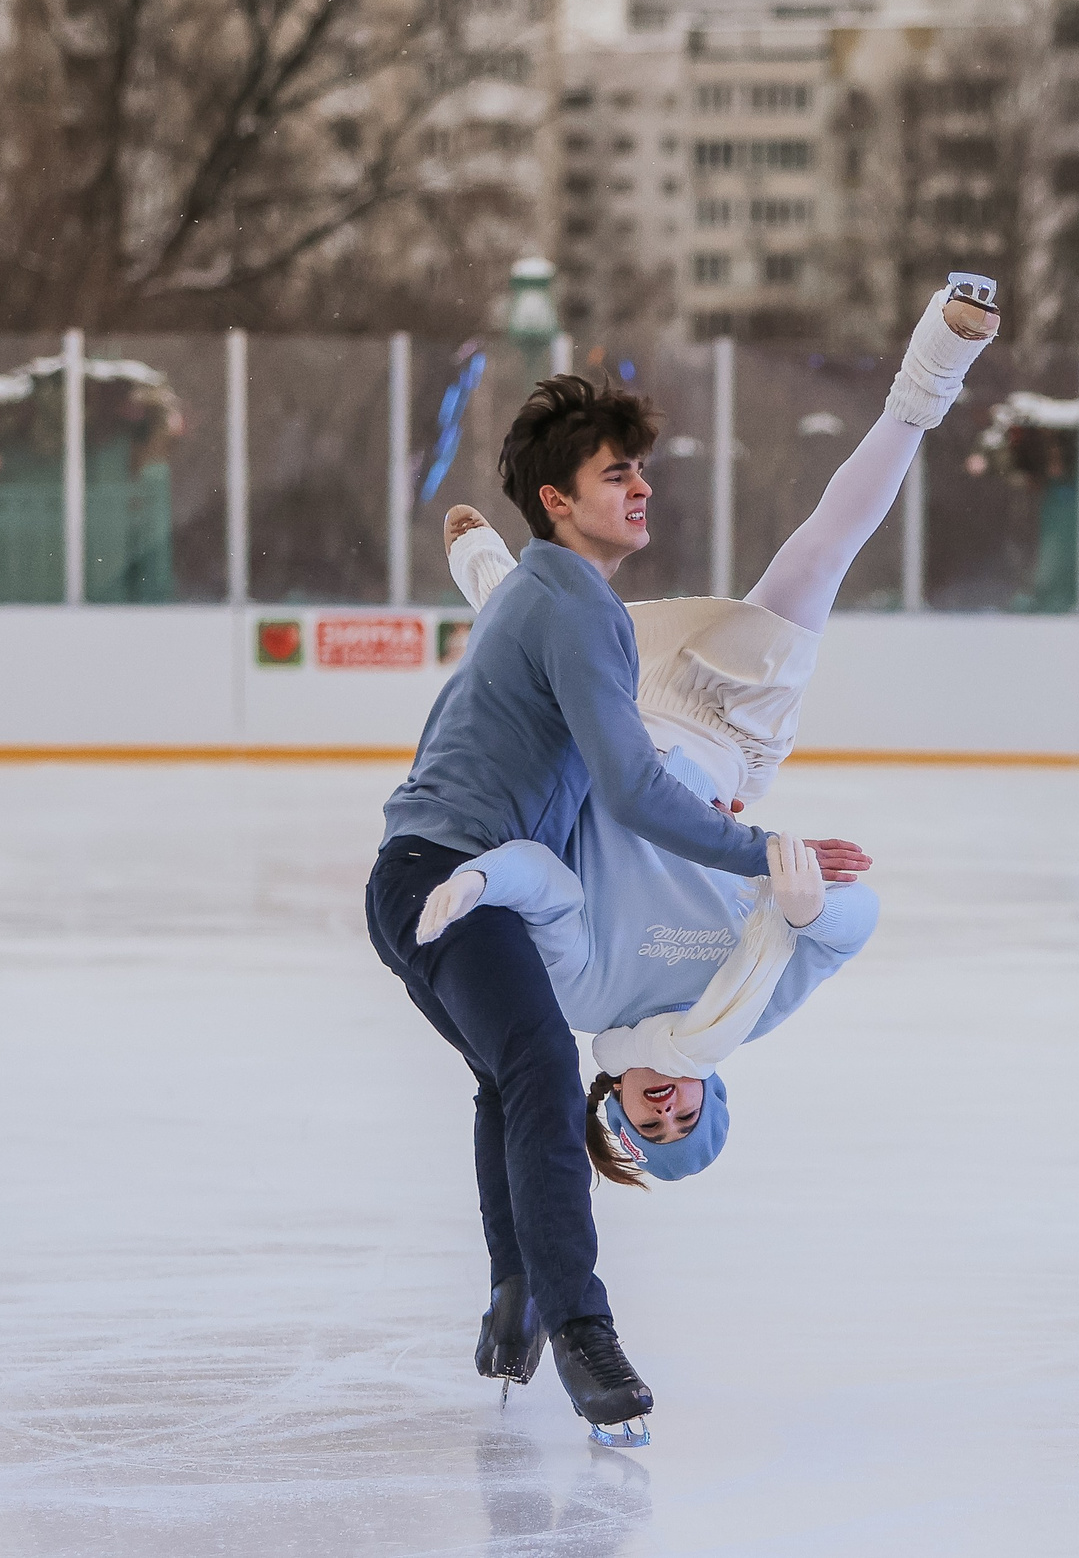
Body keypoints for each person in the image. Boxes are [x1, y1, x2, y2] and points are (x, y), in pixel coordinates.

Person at [406, 280, 999, 1410]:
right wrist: (810, 893)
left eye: (646, 1121)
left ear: (610, 1108)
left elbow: (550, 844)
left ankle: (489, 570)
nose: (665, 1100)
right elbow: (849, 928)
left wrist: (474, 873)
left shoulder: (576, 996)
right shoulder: (749, 995)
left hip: (617, 724)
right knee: (819, 557)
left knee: (526, 642)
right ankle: (933, 370)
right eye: (687, 1113)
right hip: (726, 726)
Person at [362, 372, 867, 1442]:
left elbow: (618, 777)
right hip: (440, 871)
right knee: (538, 1062)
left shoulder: (554, 595)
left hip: (432, 872)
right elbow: (633, 788)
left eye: (639, 468)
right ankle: (583, 1331)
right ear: (557, 498)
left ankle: (519, 1292)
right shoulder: (571, 605)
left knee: (514, 1073)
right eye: (615, 472)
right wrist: (762, 843)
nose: (641, 488)